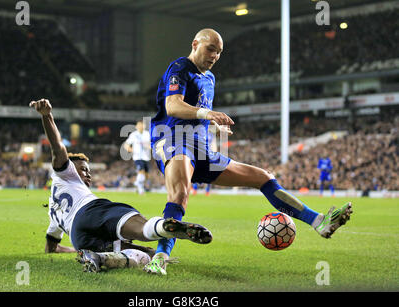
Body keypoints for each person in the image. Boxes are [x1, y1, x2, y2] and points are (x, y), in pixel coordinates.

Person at [147, 28, 353, 275]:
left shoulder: (210, 80)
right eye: (210, 48)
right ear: (195, 44)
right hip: (173, 141)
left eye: (219, 52)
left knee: (263, 177)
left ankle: (319, 222)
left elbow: (197, 113)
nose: (215, 55)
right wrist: (207, 113)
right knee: (180, 193)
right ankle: (159, 258)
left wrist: (212, 124)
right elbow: (173, 106)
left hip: (201, 148)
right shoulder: (180, 68)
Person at [30, 98, 212, 274]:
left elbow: (50, 247)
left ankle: (99, 258)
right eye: (83, 169)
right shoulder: (64, 173)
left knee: (147, 254)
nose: (88, 174)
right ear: (70, 167)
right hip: (92, 212)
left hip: (79, 237)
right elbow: (58, 147)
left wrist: (73, 249)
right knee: (143, 228)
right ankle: (163, 227)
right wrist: (47, 116)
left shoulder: (53, 211)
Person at [123, 120, 151, 194]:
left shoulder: (147, 134)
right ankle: (141, 189)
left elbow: (151, 144)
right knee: (141, 171)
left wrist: (149, 147)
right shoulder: (133, 135)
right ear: (136, 126)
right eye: (139, 125)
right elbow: (126, 144)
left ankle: (137, 182)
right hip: (137, 157)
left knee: (147, 176)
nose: (141, 126)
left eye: (142, 125)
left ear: (144, 126)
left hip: (146, 157)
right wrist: (131, 150)